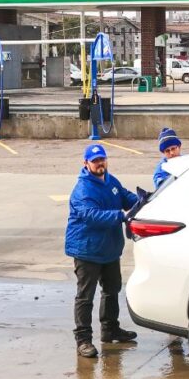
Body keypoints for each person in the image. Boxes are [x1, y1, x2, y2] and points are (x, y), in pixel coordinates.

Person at [65, 143, 140, 358]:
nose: (100, 164)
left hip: (109, 249)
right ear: (86, 163)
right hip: (87, 249)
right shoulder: (83, 189)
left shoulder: (110, 181)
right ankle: (83, 340)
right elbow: (92, 215)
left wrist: (145, 201)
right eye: (95, 161)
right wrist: (121, 215)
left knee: (112, 289)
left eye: (102, 159)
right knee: (85, 296)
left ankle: (110, 329)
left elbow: (127, 197)